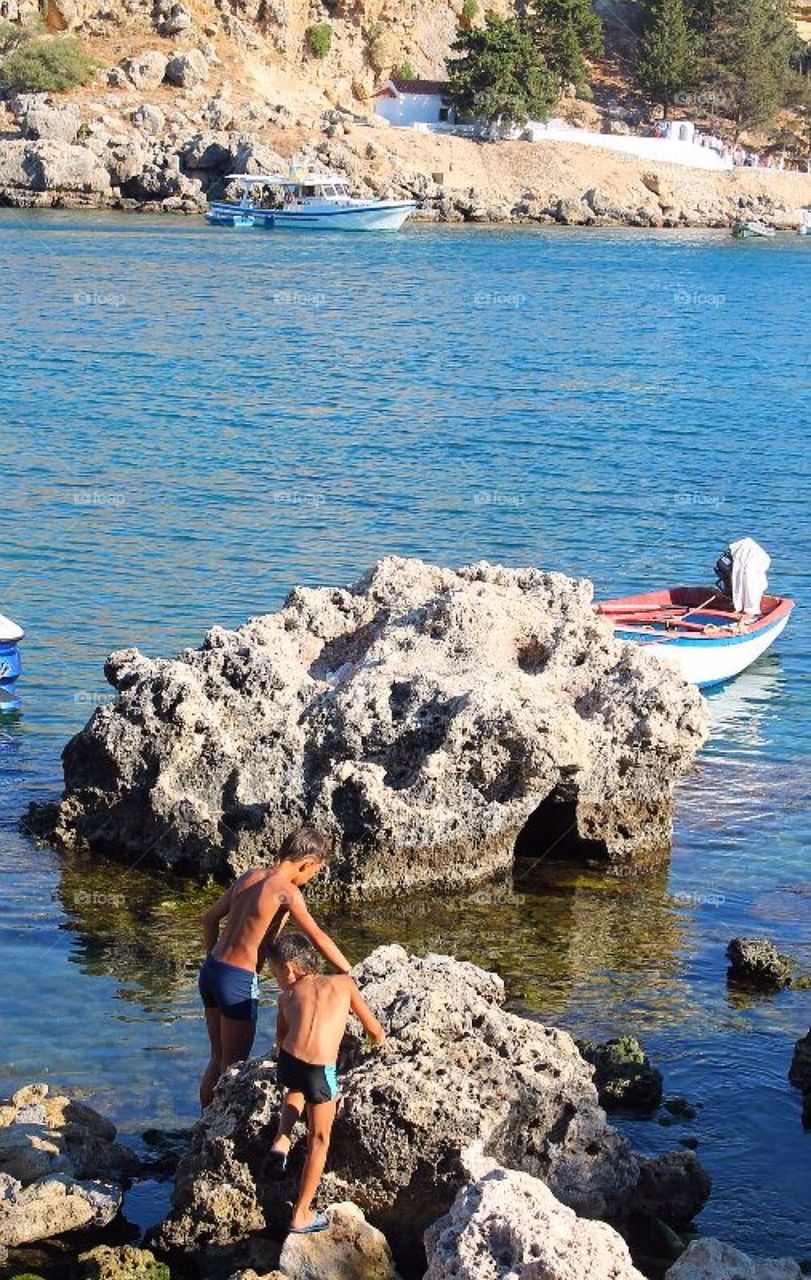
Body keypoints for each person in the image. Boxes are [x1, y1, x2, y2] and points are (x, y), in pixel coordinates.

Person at [197, 826, 352, 1109]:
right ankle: (215, 1133)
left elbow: (209, 919)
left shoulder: (249, 876)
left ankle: (201, 1128)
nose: (311, 878)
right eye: (315, 872)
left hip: (211, 972)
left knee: (216, 1059)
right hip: (237, 980)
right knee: (234, 1068)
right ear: (308, 864)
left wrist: (212, 960)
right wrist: (349, 972)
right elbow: (317, 937)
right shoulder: (287, 892)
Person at [266, 931, 386, 1235]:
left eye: (275, 973)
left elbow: (281, 1040)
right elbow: (374, 1030)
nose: (277, 980)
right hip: (321, 1070)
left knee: (294, 1087)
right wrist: (378, 1043)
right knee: (319, 1140)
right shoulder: (344, 984)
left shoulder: (286, 996)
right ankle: (302, 1214)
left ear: (290, 968)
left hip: (290, 1062)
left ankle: (282, 1137)